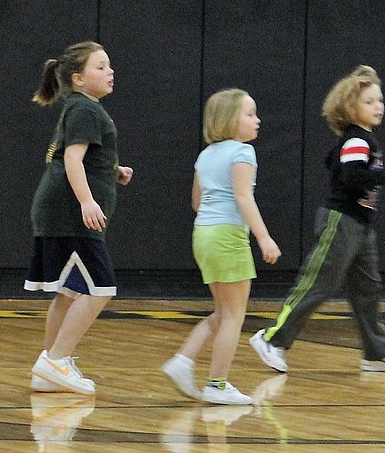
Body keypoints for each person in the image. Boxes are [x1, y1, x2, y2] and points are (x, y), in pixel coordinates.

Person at [249, 65, 385, 374]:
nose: (378, 106)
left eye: (380, 100)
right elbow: (353, 177)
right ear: (350, 107)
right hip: (342, 222)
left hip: (361, 225)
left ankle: (376, 353)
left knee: (368, 288)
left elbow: (334, 162)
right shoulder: (357, 140)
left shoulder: (359, 140)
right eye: (369, 101)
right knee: (319, 283)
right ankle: (272, 339)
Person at [25, 41, 134, 395]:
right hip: (70, 213)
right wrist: (87, 201)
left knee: (70, 291)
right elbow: (71, 159)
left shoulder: (82, 107)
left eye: (109, 65)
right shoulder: (86, 109)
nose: (110, 71)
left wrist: (112, 169)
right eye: (100, 66)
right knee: (100, 289)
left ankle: (50, 366)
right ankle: (56, 360)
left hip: (57, 210)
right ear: (79, 78)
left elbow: (84, 158)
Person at [161, 89, 282, 405]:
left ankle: (183, 361)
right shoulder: (243, 153)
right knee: (234, 316)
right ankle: (217, 384)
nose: (257, 120)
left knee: (223, 311)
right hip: (228, 236)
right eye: (250, 114)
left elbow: (197, 202)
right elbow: (244, 198)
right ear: (230, 120)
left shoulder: (206, 155)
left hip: (203, 234)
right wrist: (263, 236)